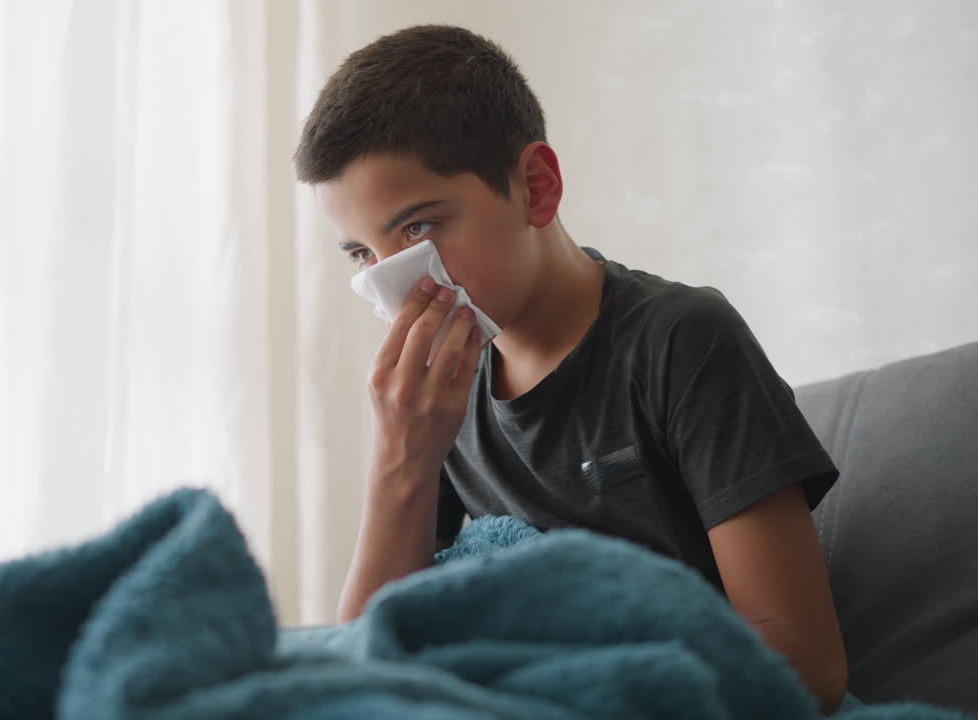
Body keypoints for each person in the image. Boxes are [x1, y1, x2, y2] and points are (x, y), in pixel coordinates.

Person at [293, 24, 849, 713]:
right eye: (361, 257)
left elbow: (808, 661)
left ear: (536, 187)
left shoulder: (680, 341)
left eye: (417, 229)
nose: (394, 286)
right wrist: (400, 458)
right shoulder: (444, 393)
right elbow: (365, 659)